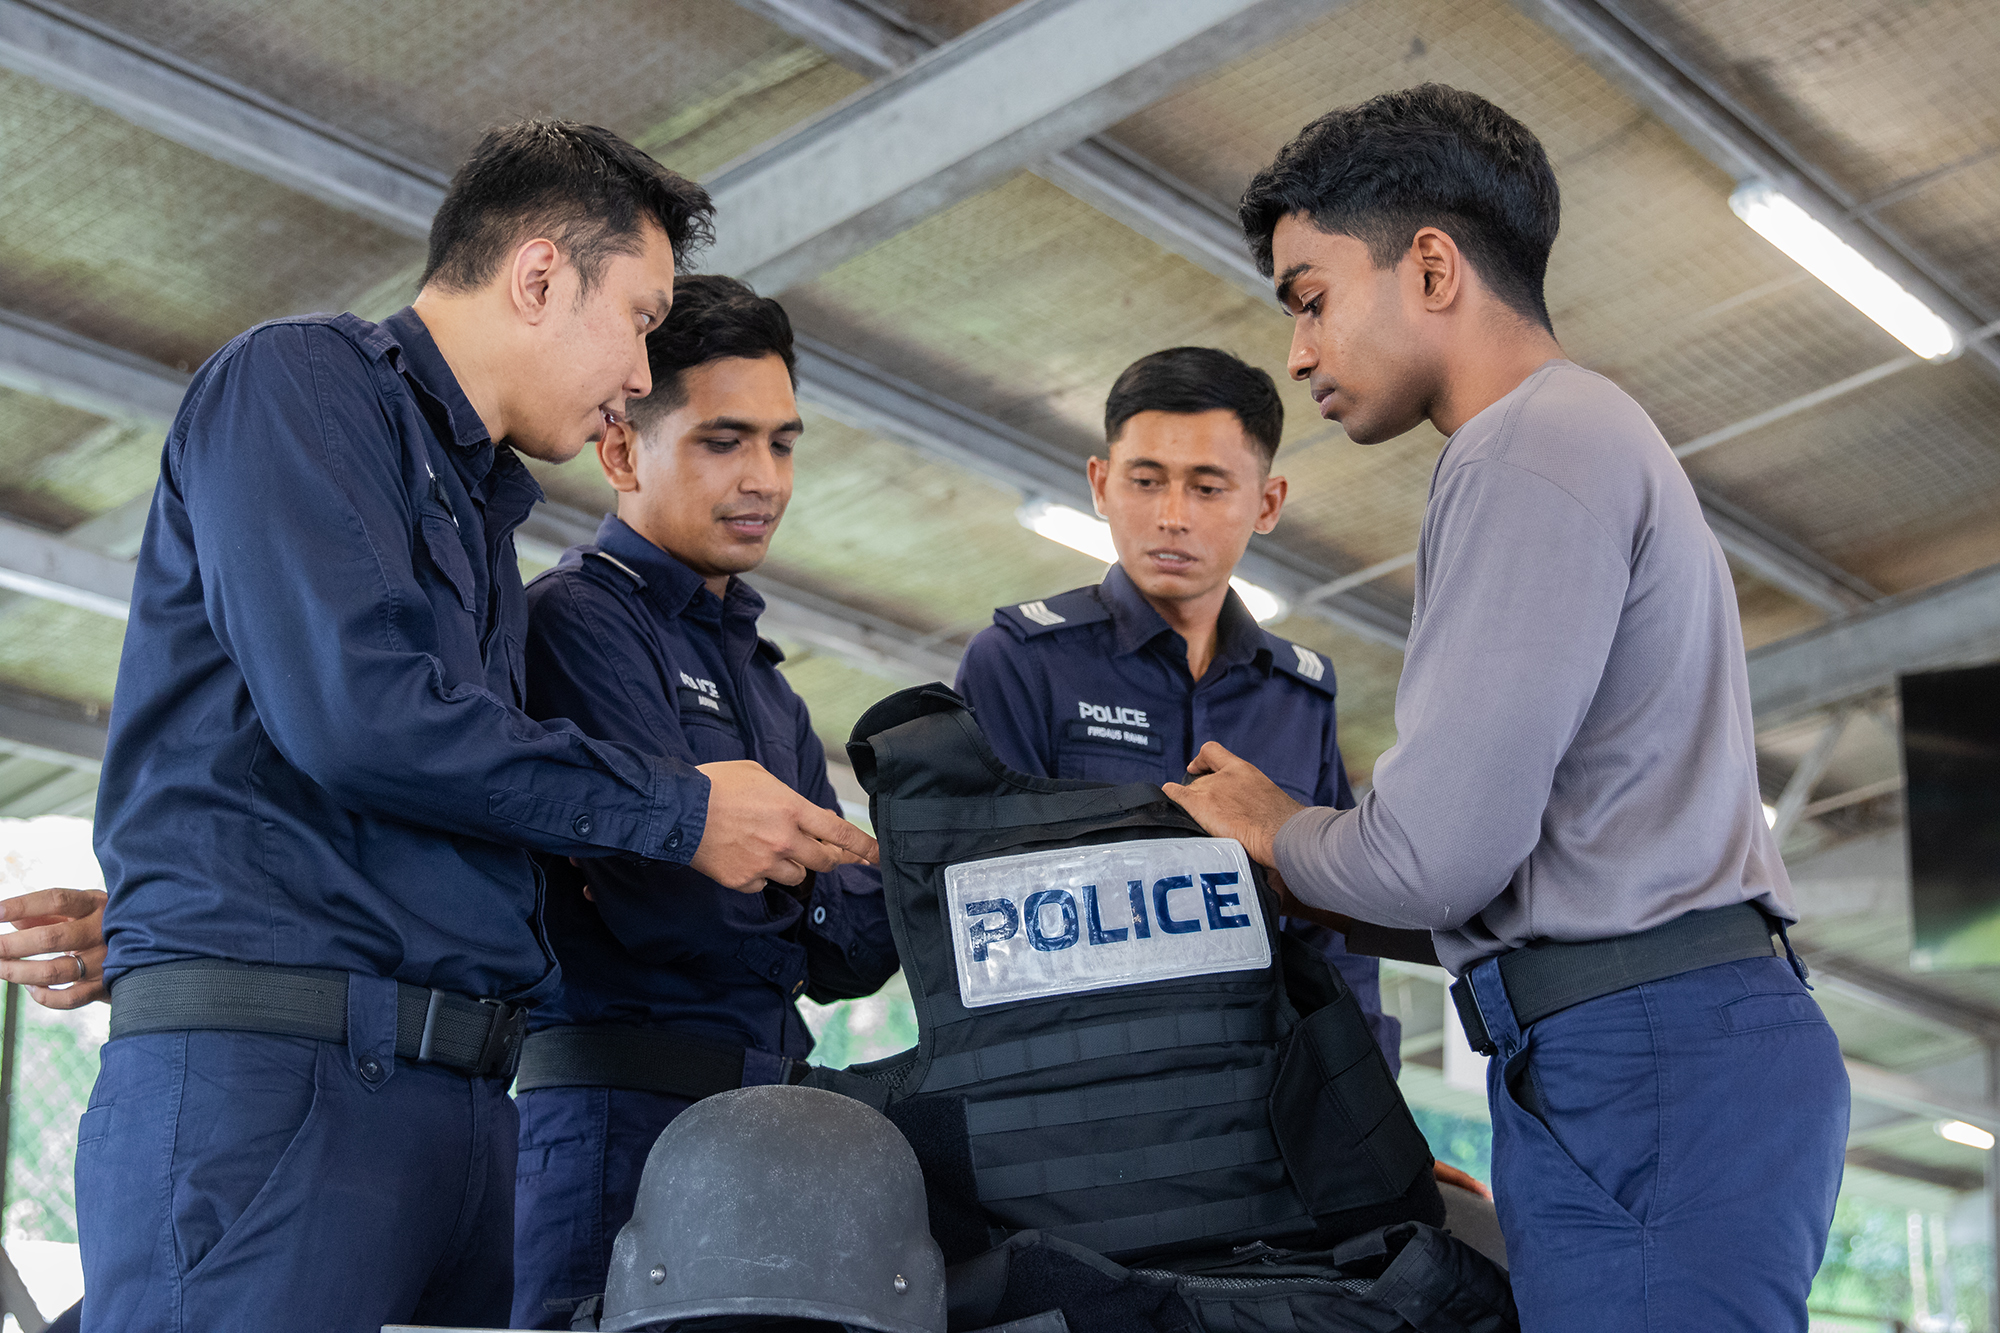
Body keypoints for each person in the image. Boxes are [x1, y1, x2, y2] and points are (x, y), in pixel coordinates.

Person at [80, 120, 876, 1333]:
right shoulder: (300, 383)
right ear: (541, 274)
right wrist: (682, 808)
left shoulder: (478, 514)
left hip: (449, 1090)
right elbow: (360, 718)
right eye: (642, 320)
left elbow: (403, 787)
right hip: (291, 1086)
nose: (635, 372)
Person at [1165, 84, 1847, 1331]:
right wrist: (1303, 881)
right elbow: (1502, 879)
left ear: (1430, 266)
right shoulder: (1573, 438)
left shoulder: (1528, 449)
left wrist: (1271, 828)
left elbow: (1435, 857)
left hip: (1646, 1057)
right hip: (1630, 1046)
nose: (1299, 350)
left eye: (1310, 298)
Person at [953, 347, 1485, 1199]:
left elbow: (1334, 939)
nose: (1172, 515)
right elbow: (981, 918)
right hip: (1075, 1124)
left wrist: (1375, 1124)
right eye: (1145, 480)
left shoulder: (1298, 696)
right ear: (1098, 483)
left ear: (1266, 501)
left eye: (1207, 486)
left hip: (1259, 1120)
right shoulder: (1020, 665)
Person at [510, 276, 899, 1327]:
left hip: (767, 1125)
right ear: (623, 449)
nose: (763, 478)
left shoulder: (767, 683)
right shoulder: (575, 627)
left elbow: (856, 953)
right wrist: (807, 879)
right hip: (613, 1118)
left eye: (781, 443)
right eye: (724, 440)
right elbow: (672, 906)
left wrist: (786, 879)